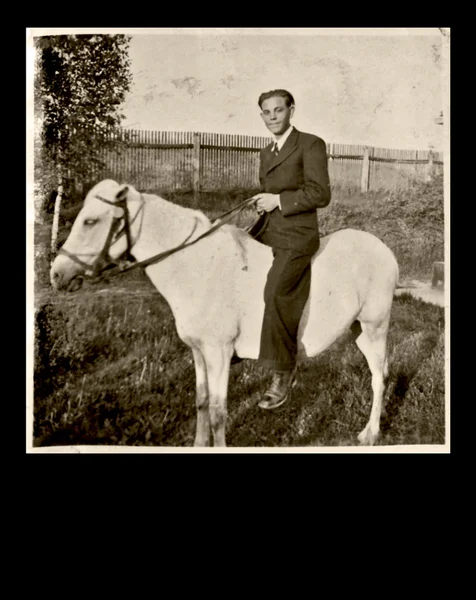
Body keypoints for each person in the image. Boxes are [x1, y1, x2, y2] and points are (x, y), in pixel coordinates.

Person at [251, 89, 331, 409]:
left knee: (276, 293)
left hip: (298, 235)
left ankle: (284, 372)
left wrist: (278, 201)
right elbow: (268, 192)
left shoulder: (310, 144)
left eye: (278, 110)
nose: (272, 117)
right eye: (266, 112)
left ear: (291, 110)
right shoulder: (266, 151)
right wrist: (261, 204)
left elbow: (319, 193)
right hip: (269, 230)